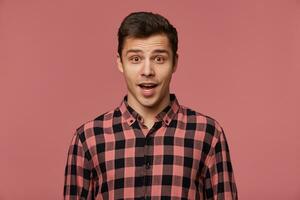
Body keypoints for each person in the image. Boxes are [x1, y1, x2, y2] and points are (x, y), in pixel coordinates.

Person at [63, 11, 238, 200]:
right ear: (120, 62)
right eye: (135, 59)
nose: (147, 71)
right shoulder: (88, 138)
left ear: (175, 63)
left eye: (159, 59)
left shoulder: (208, 134)